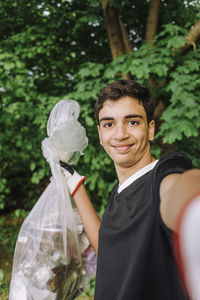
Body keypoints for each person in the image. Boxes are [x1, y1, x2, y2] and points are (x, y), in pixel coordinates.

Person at [61, 80, 200, 300]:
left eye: (132, 122)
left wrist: (192, 207)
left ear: (151, 129)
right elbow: (109, 249)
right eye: (109, 124)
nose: (120, 134)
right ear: (100, 133)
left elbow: (179, 190)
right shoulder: (120, 190)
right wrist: (75, 186)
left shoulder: (163, 175)